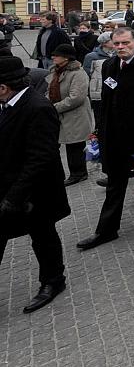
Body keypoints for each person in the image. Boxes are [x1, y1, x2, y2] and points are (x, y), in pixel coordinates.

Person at [76, 28, 134, 250]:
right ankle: (106, 230)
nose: (120, 47)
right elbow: (105, 102)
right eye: (116, 43)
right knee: (115, 184)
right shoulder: (109, 66)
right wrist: (100, 131)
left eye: (125, 43)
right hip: (115, 136)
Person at [0, 56, 70, 313]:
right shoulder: (6, 104)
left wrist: (14, 197)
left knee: (43, 236)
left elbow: (41, 158)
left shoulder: (38, 107)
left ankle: (53, 282)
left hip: (34, 193)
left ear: (4, 87)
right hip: (9, 188)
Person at [45, 44, 94, 187]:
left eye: (56, 55)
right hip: (62, 115)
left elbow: (76, 98)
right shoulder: (57, 71)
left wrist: (54, 108)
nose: (53, 57)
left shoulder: (78, 73)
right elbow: (50, 91)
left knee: (75, 145)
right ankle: (73, 173)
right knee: (68, 144)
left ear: (66, 58)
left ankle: (79, 173)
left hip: (75, 115)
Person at [83, 32, 114, 133]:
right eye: (111, 40)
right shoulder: (91, 56)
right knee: (100, 118)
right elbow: (87, 74)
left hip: (114, 91)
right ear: (104, 43)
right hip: (98, 93)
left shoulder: (117, 54)